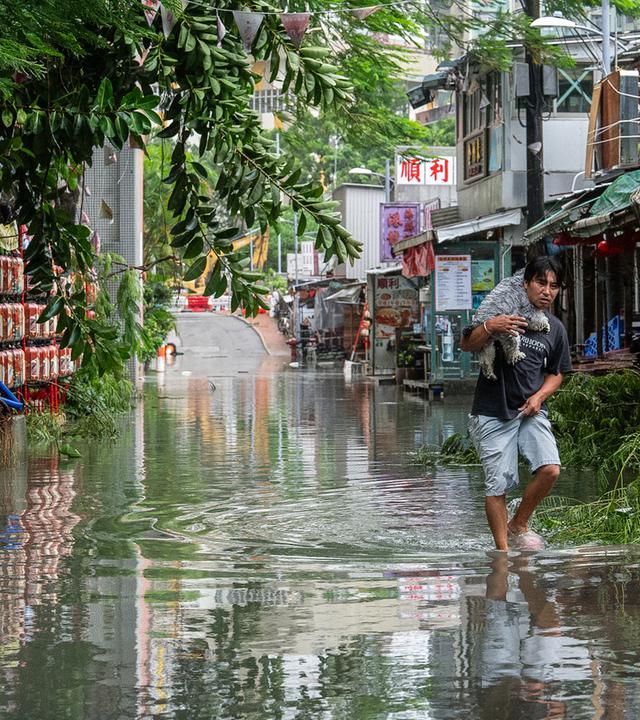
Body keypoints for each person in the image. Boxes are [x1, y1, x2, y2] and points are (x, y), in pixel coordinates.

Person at [460, 256, 571, 551]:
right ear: (526, 284)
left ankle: (518, 523)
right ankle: (503, 554)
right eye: (541, 283)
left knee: (551, 469)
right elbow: (467, 344)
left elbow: (556, 374)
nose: (547, 291)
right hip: (492, 412)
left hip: (531, 412)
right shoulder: (505, 313)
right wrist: (490, 326)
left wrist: (539, 397)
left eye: (554, 286)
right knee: (498, 485)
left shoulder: (554, 329)